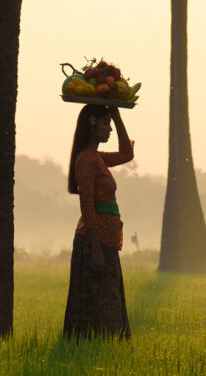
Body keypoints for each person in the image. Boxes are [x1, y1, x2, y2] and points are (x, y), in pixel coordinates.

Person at [63, 104, 134, 339]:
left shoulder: (98, 158)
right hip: (94, 242)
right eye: (106, 124)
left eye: (110, 124)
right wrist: (95, 249)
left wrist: (117, 114)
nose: (110, 130)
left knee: (110, 300)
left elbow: (127, 154)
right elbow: (87, 205)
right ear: (92, 126)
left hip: (107, 241)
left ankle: (106, 351)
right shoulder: (86, 160)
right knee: (97, 304)